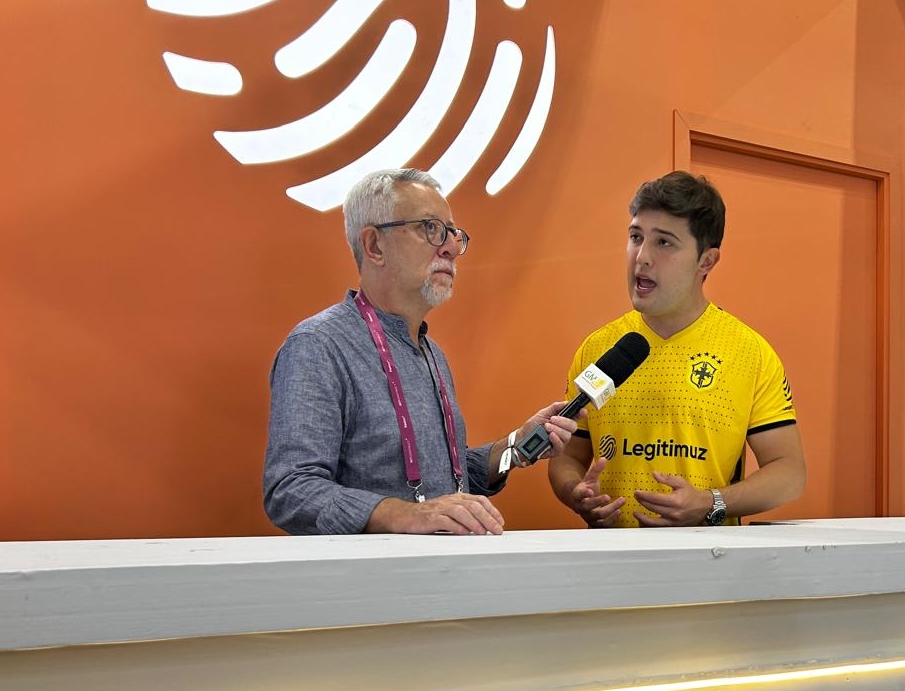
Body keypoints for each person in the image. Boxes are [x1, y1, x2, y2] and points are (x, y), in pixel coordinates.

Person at [264, 168, 576, 535]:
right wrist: (401, 514)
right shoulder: (319, 345)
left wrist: (515, 447)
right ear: (374, 246)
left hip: (444, 567)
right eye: (430, 228)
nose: (451, 247)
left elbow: (446, 483)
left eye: (453, 233)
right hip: (370, 571)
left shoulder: (432, 353)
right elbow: (291, 489)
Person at [548, 171, 806, 527]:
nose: (642, 257)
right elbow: (567, 456)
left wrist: (711, 502)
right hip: (610, 554)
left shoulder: (749, 352)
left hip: (709, 557)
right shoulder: (598, 347)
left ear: (706, 261)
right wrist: (574, 492)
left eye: (664, 243)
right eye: (636, 237)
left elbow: (789, 472)